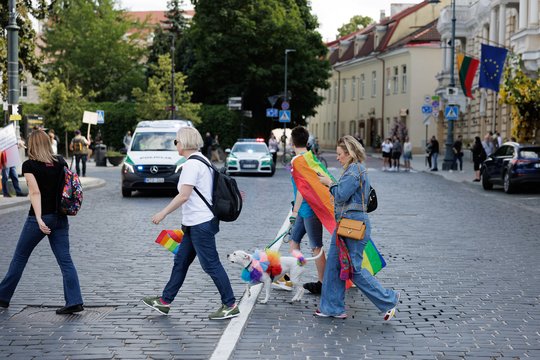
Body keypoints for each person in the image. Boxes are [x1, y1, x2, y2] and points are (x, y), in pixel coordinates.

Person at [142, 127, 239, 320]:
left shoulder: (191, 165)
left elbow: (184, 196)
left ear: (184, 142)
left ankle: (230, 304)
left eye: (176, 141)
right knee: (181, 262)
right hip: (196, 223)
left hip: (200, 223)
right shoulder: (202, 160)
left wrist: (163, 213)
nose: (175, 145)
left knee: (211, 264)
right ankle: (165, 301)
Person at [316, 135, 400, 319]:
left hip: (353, 226)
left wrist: (329, 183)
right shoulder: (353, 170)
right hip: (346, 224)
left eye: (339, 154)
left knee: (353, 269)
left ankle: (388, 300)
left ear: (349, 153)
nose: (337, 158)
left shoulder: (355, 170)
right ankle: (332, 308)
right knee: (334, 266)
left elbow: (341, 195)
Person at [0, 130, 84, 314]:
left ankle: (3, 296)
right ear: (47, 143)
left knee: (20, 257)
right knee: (65, 260)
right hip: (60, 217)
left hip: (40, 218)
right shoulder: (60, 162)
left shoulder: (29, 165)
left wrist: (38, 218)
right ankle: (74, 300)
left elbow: (35, 192)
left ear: (32, 145)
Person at [286, 126, 326, 294]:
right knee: (293, 242)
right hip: (304, 210)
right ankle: (293, 276)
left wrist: (294, 211)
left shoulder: (297, 161)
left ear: (292, 142)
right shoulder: (310, 157)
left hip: (309, 209)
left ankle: (323, 283)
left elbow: (303, 188)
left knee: (316, 247)